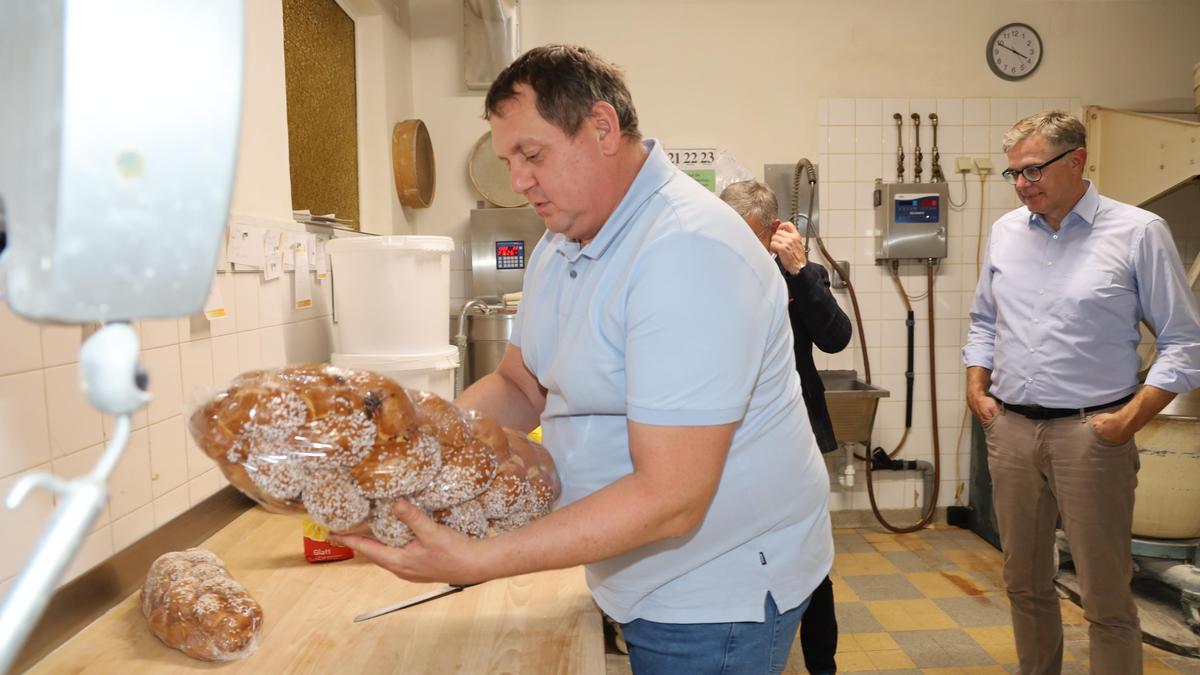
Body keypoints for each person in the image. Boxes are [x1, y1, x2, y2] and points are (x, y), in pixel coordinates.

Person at [337, 44, 834, 674]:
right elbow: (521, 385)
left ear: (601, 128)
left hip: (710, 595)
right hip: (633, 570)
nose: (517, 180)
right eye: (507, 159)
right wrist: (414, 446)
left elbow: (671, 498)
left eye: (532, 154)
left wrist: (480, 559)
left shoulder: (687, 252)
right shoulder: (563, 239)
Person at [963, 110, 1200, 675]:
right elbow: (983, 322)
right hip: (1012, 430)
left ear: (1077, 161)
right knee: (1024, 582)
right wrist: (979, 389)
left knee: (1105, 594)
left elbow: (1184, 342)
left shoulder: (1137, 232)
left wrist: (1128, 421)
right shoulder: (1005, 233)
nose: (1023, 184)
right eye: (1014, 173)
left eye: (1034, 170)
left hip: (1092, 434)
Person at [720, 180, 851, 675]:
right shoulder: (712, 271)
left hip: (795, 435)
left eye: (747, 234)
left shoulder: (802, 274)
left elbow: (836, 338)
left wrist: (798, 272)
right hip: (731, 438)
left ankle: (822, 666)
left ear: (775, 231)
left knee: (809, 561)